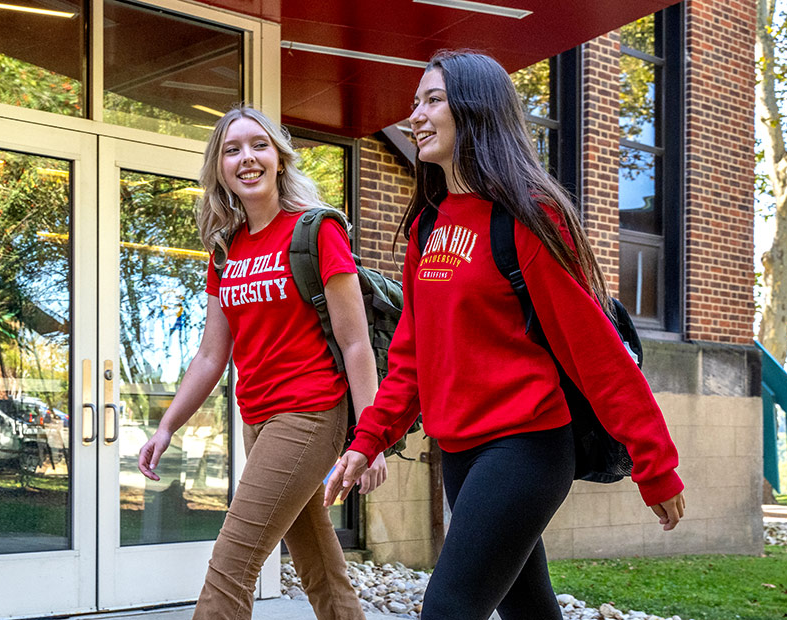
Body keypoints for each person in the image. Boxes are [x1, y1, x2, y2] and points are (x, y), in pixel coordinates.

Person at [324, 50, 687, 620]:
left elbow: (595, 351)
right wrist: (368, 439)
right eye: (414, 103)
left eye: (433, 100)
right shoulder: (427, 225)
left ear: (475, 109)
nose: (415, 116)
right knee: (529, 613)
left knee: (447, 609)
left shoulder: (527, 214)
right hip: (461, 452)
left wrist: (655, 464)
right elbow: (412, 358)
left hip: (528, 446)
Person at [136, 106, 385, 620]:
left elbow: (355, 341)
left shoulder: (316, 232)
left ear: (279, 158)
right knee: (318, 562)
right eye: (232, 150)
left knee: (231, 565)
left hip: (311, 414)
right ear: (220, 167)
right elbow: (211, 354)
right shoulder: (226, 250)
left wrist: (372, 437)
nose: (246, 158)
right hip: (257, 419)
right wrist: (167, 426)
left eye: (258, 145)